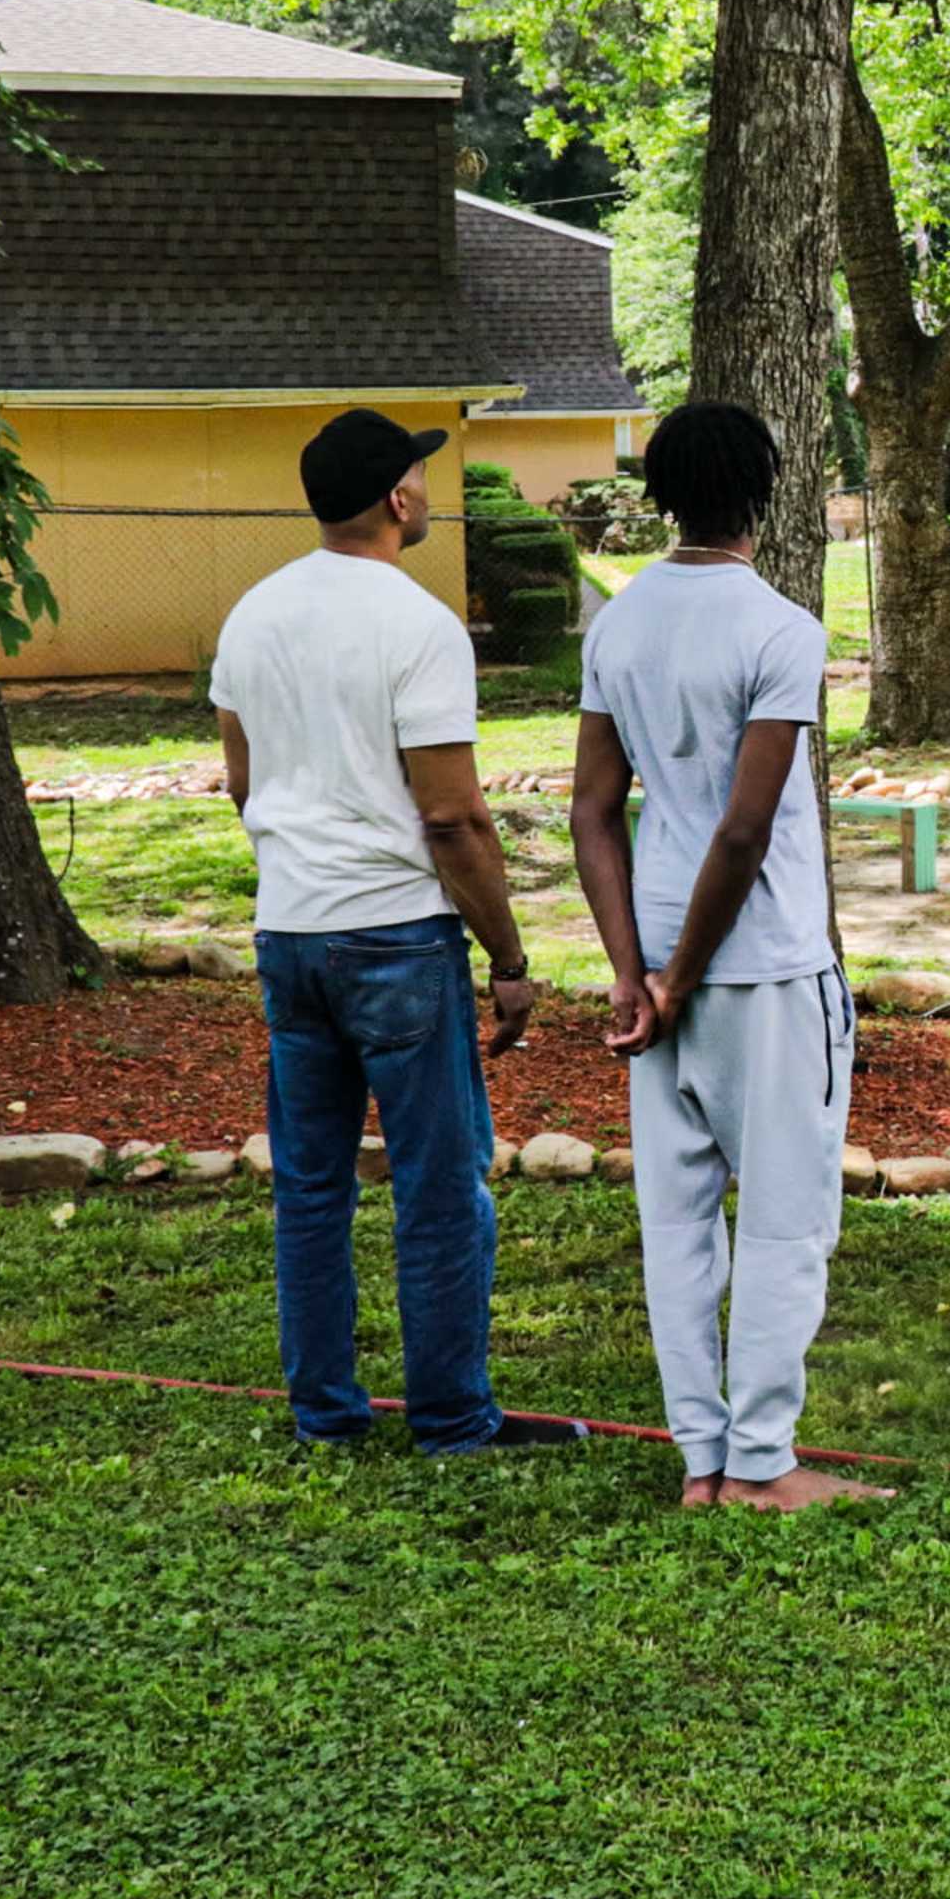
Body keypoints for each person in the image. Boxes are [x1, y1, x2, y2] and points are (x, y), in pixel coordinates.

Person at [210, 409, 574, 1455]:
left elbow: (242, 780)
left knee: (313, 1187)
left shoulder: (252, 615)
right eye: (418, 472)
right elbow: (452, 814)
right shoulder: (418, 626)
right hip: (400, 938)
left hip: (289, 932)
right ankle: (454, 1418)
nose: (425, 486)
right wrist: (507, 956)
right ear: (396, 500)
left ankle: (324, 1413)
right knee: (438, 1183)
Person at [569, 402, 885, 1513]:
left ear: (660, 493)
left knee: (678, 1218)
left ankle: (701, 1459)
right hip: (760, 966)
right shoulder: (781, 629)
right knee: (788, 1216)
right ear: (766, 491)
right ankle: (762, 1463)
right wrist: (683, 973)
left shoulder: (617, 624)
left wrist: (630, 969)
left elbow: (593, 810)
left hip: (654, 958)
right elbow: (746, 829)